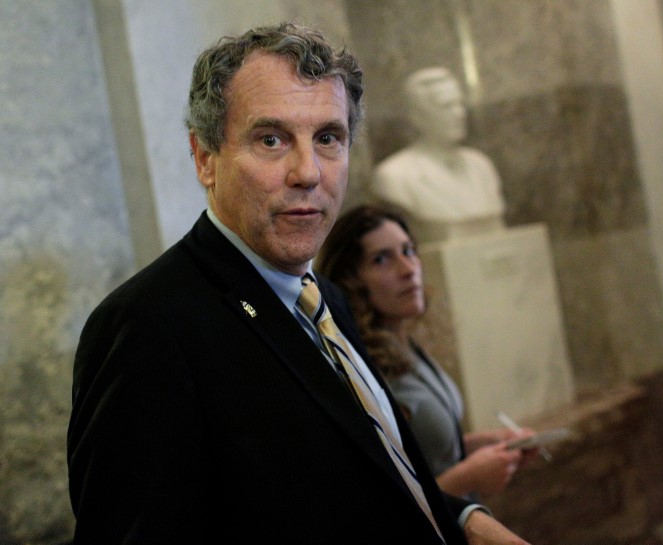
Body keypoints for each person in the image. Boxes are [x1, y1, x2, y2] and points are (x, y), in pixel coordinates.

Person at [67, 23, 532, 545]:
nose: (308, 172)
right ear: (204, 158)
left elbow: (356, 477)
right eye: (271, 140)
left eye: (328, 138)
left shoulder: (325, 297)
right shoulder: (148, 327)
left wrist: (466, 520)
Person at [317, 204, 535, 500]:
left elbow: (425, 451)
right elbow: (388, 504)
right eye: (381, 259)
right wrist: (468, 477)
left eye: (408, 251)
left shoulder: (404, 344)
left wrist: (487, 444)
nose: (408, 270)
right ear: (351, 281)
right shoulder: (363, 371)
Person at [372, 66, 506, 244]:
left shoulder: (481, 165)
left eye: (460, 104)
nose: (459, 113)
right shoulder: (395, 176)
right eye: (446, 106)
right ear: (417, 116)